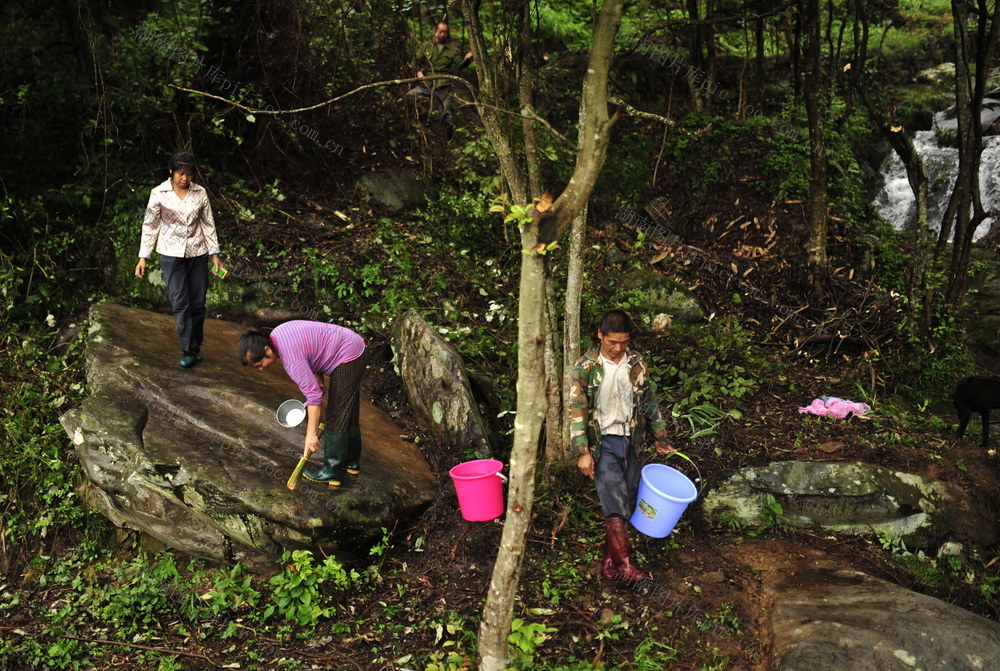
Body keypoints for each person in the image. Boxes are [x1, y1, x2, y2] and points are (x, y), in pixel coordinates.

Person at [569, 309, 673, 582]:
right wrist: (582, 452)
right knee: (615, 505)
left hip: (631, 441)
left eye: (624, 343)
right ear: (600, 335)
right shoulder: (585, 367)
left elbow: (649, 403)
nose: (617, 348)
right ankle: (625, 567)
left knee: (625, 499)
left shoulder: (636, 364)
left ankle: (608, 565)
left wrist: (660, 437)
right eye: (612, 342)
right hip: (603, 444)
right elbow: (577, 411)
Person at [237, 321, 366, 487]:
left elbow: (313, 397)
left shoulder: (291, 360)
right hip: (352, 344)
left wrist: (310, 434)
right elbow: (314, 347)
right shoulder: (279, 333)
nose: (261, 369)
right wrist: (318, 376)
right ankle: (351, 462)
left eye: (260, 364)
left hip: (348, 356)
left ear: (267, 350)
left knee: (336, 414)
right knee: (348, 411)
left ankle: (331, 471)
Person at [135, 151, 225, 368]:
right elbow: (150, 225)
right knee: (180, 303)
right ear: (171, 172)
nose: (185, 178)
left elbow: (207, 224)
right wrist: (143, 257)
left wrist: (215, 256)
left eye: (189, 174)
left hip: (198, 254)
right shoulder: (159, 193)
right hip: (170, 256)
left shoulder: (200, 193)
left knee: (198, 305)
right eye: (180, 173)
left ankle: (194, 347)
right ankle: (188, 350)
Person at [405, 21, 474, 138]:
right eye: (441, 32)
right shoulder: (426, 46)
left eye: (445, 32)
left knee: (446, 116)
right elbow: (415, 62)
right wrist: (419, 73)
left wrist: (467, 59)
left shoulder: (452, 50)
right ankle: (416, 126)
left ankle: (447, 142)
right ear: (435, 31)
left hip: (443, 88)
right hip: (426, 84)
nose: (443, 35)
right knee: (408, 97)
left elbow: (459, 66)